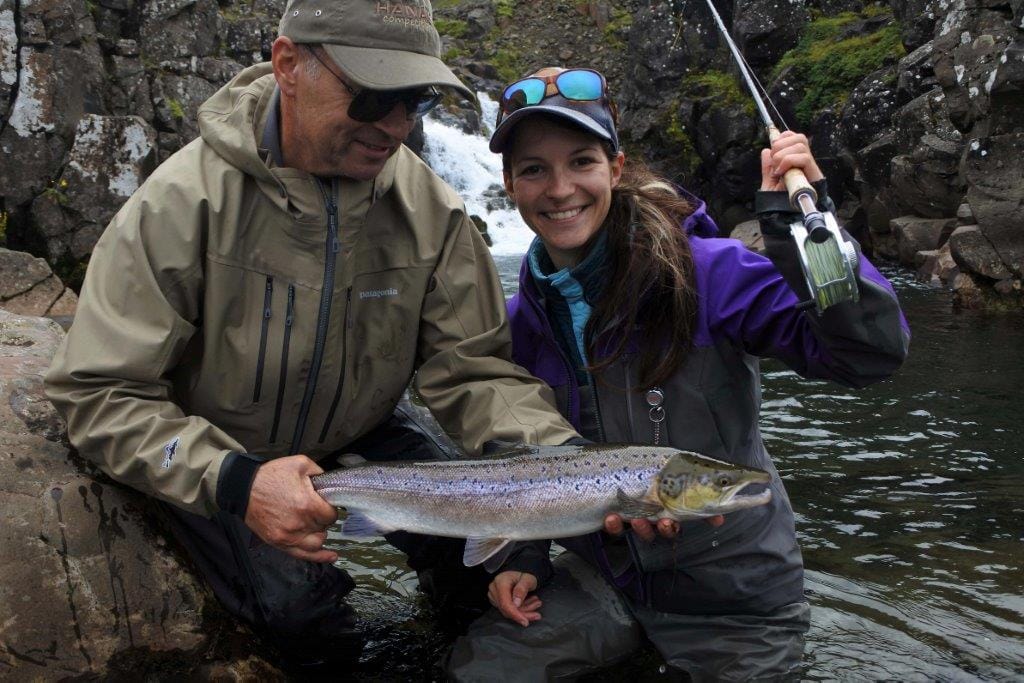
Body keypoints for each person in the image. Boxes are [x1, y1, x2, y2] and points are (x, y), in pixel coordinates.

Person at [42, 3, 583, 669]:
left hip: (364, 423)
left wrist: (562, 470)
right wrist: (236, 481)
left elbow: (477, 374)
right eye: (375, 95)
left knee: (490, 566)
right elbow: (97, 392)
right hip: (223, 444)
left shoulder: (431, 212)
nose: (397, 125)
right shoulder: (178, 205)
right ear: (288, 65)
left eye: (413, 99)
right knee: (305, 618)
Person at [447, 67, 911, 681]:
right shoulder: (517, 324)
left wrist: (807, 224)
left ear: (615, 167)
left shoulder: (712, 273)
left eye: (581, 161)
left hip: (737, 599)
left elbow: (867, 355)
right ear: (509, 185)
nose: (560, 189)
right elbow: (518, 465)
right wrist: (524, 553)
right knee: (479, 673)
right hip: (603, 580)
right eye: (534, 169)